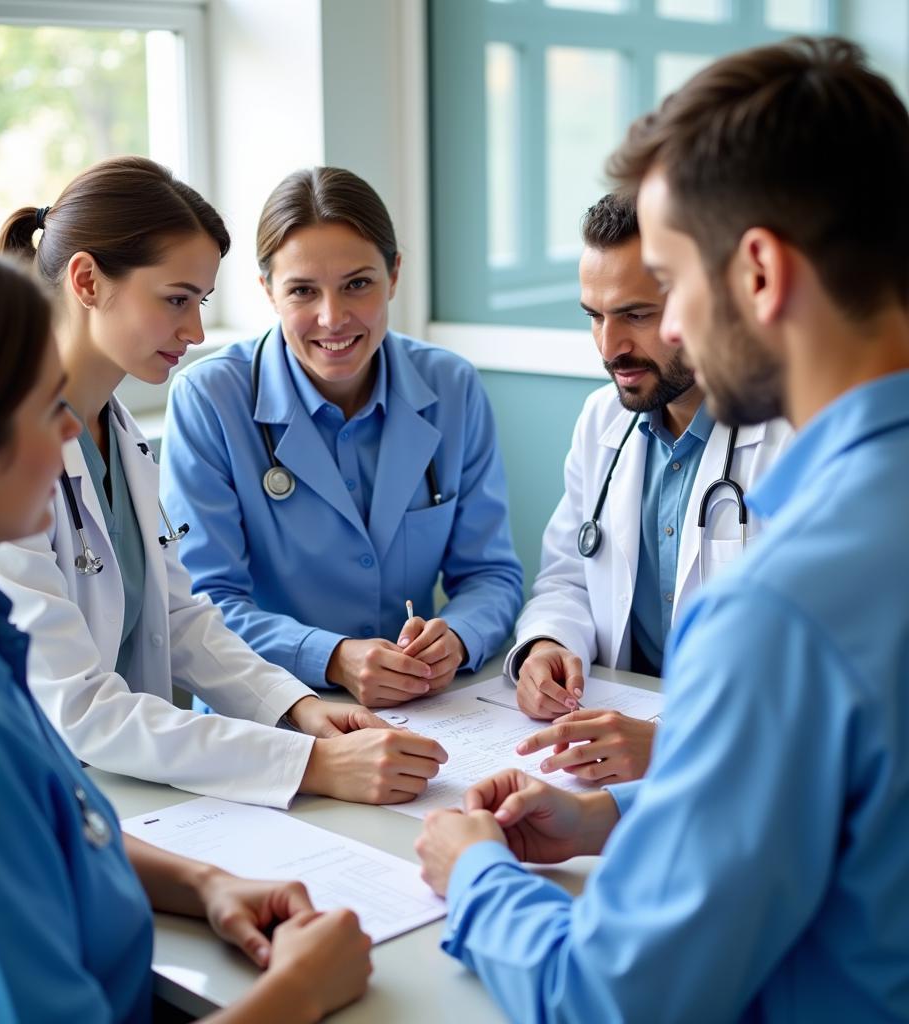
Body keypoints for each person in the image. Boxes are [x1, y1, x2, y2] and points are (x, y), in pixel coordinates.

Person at [416, 36, 909, 1022]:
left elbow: (611, 997)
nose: (668, 331)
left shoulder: (782, 605)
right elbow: (848, 805)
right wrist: (616, 813)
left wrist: (473, 873)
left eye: (673, 283)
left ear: (759, 272)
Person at [0, 237, 372, 1023]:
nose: (74, 434)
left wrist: (204, 884)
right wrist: (298, 993)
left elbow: (67, 824)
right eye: (50, 410)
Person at [0, 156, 447, 806]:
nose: (196, 331)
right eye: (176, 299)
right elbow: (78, 707)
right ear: (87, 280)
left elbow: (180, 618)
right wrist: (309, 765)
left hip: (134, 793)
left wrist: (297, 710)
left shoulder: (119, 435)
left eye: (200, 302)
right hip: (32, 801)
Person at [161, 167, 523, 708]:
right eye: (303, 291)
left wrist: (459, 635)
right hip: (266, 710)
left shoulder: (452, 387)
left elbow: (491, 574)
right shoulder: (210, 398)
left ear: (394, 275)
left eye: (358, 284)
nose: (333, 318)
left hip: (421, 709)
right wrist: (330, 656)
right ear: (268, 292)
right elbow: (204, 605)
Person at [507, 192, 790, 783]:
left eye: (636, 314)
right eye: (594, 315)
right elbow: (567, 575)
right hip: (611, 748)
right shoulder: (600, 421)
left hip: (743, 768)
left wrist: (672, 745)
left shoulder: (792, 434)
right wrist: (547, 646)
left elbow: (813, 669)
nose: (610, 349)